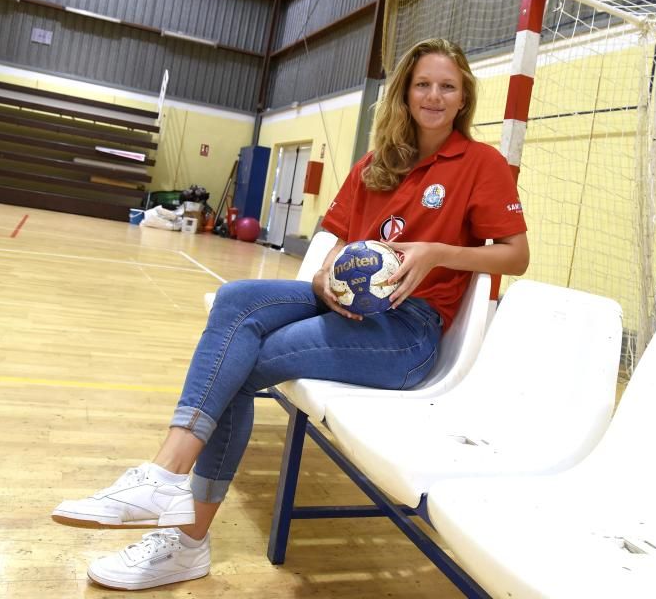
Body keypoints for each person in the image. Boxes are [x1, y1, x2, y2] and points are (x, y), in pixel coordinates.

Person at [51, 37, 530, 590]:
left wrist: (437, 253)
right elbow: (334, 236)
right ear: (404, 91)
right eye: (423, 83)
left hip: (407, 332)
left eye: (448, 86)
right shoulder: (378, 163)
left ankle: (184, 537)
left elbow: (516, 254)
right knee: (235, 301)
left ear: (465, 95)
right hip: (349, 301)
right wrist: (324, 275)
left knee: (245, 364)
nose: (434, 96)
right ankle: (163, 478)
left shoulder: (480, 163)